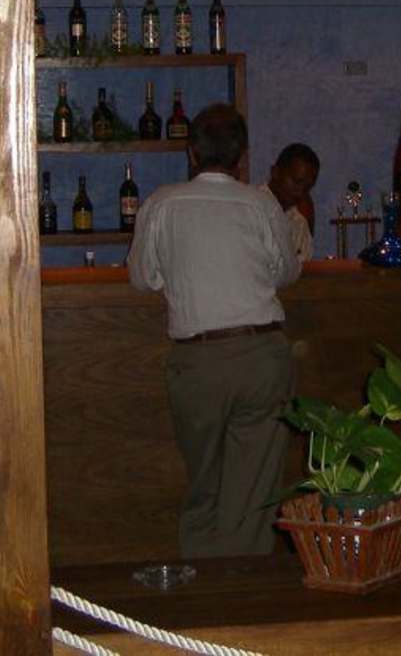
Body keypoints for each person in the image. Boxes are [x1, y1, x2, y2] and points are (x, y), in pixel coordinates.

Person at [127, 103, 303, 558]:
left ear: (191, 152)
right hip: (261, 355)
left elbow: (142, 278)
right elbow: (287, 273)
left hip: (197, 360)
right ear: (242, 156)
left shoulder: (161, 203)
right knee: (252, 489)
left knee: (204, 480)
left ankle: (200, 577)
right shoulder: (261, 205)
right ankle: (242, 585)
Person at [264, 142, 320, 261]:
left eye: (307, 188)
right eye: (297, 182)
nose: (300, 192)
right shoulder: (250, 209)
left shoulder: (300, 225)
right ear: (275, 172)